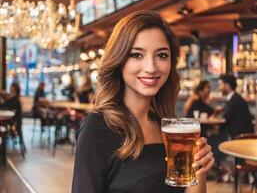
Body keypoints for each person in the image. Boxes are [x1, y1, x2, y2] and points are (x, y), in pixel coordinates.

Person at [72, 10, 214, 193]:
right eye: (136, 55)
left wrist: (199, 170)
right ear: (119, 60)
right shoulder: (97, 128)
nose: (151, 68)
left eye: (161, 55)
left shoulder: (168, 127)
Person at [218, 74, 254, 138]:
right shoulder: (234, 98)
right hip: (237, 135)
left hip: (240, 137)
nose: (219, 87)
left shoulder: (235, 99)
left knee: (211, 141)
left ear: (227, 85)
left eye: (220, 84)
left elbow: (224, 118)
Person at [0, 82, 26, 153]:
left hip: (13, 123)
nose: (11, 90)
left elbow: (5, 105)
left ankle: (2, 152)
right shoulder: (14, 99)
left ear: (15, 90)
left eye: (12, 89)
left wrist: (3, 101)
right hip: (13, 122)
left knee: (2, 128)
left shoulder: (15, 100)